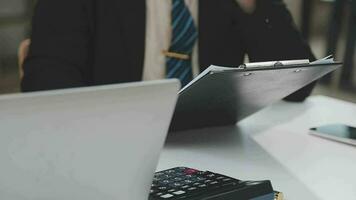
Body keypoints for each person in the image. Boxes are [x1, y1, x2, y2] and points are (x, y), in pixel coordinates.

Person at [21, 0, 316, 101]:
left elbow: (298, 86)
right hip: (112, 147)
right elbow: (47, 85)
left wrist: (252, 4)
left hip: (212, 154)